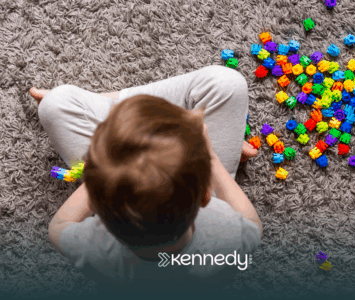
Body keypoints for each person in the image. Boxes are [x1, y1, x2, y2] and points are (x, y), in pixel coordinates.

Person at [30, 65, 262, 296]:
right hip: (199, 179)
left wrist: (99, 171)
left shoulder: (98, 248)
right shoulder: (223, 235)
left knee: (54, 105)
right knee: (228, 83)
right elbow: (253, 224)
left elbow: (57, 228)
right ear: (205, 196)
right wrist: (212, 159)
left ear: (98, 208)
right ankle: (140, 120)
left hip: (121, 182)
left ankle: (116, 114)